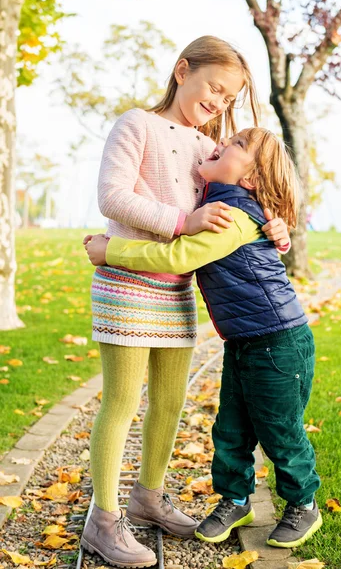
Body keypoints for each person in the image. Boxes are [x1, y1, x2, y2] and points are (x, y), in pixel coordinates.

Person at [81, 36, 291, 568]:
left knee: (171, 403)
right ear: (182, 71)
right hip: (128, 286)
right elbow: (113, 195)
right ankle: (102, 522)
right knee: (123, 401)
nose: (218, 102)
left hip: (177, 291)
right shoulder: (136, 124)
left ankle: (148, 497)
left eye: (229, 97)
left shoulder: (206, 146)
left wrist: (275, 223)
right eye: (213, 88)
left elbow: (243, 194)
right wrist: (182, 222)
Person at [85, 127, 322, 551]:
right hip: (246, 340)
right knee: (230, 428)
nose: (221, 143)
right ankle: (235, 499)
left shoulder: (231, 214)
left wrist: (112, 251)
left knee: (279, 430)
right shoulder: (223, 202)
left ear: (249, 178)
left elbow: (180, 256)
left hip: (279, 343)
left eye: (236, 145)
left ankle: (303, 503)